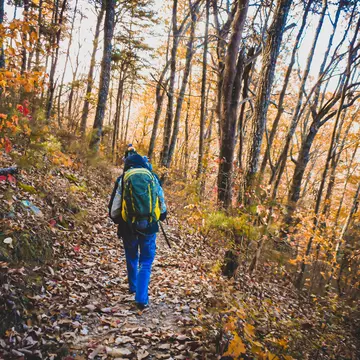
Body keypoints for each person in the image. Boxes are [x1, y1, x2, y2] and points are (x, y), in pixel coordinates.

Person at [108, 145, 167, 310]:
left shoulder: (123, 178)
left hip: (128, 226)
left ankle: (133, 286)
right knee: (146, 261)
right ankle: (141, 298)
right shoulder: (152, 177)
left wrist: (119, 220)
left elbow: (114, 209)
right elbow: (161, 202)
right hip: (149, 225)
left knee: (132, 255)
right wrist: (161, 215)